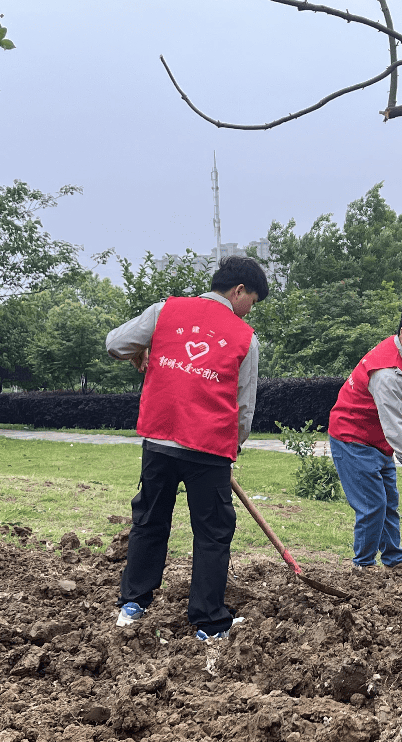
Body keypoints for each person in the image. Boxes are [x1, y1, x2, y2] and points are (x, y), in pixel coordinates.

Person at [105, 256, 268, 640]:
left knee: (149, 518)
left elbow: (114, 344)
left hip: (159, 440)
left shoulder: (165, 311)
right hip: (209, 449)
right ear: (238, 290)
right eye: (252, 301)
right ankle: (209, 622)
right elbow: (244, 408)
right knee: (212, 532)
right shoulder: (246, 338)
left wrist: (138, 350)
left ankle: (134, 603)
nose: (250, 310)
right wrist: (234, 449)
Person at [328, 299, 402, 573]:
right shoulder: (387, 371)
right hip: (352, 437)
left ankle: (395, 562)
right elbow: (393, 427)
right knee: (373, 505)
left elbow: (393, 411)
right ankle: (363, 568)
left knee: (389, 502)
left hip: (377, 440)